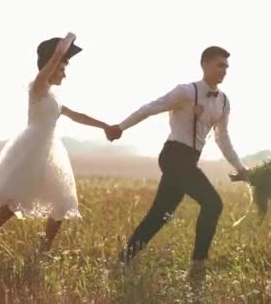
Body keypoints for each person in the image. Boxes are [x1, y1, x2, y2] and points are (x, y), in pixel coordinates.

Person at [0, 33, 111, 264]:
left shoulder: (53, 96)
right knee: (8, 209)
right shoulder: (39, 86)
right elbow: (54, 60)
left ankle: (42, 255)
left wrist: (105, 126)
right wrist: (68, 40)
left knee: (60, 206)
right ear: (51, 67)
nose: (65, 73)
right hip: (31, 153)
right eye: (62, 68)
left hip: (50, 155)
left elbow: (77, 116)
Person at [105, 45, 248, 282]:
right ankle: (197, 269)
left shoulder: (223, 101)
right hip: (174, 156)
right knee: (213, 203)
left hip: (190, 160)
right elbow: (151, 107)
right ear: (204, 64)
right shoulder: (186, 91)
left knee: (161, 214)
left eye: (227, 67)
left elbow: (223, 138)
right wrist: (120, 127)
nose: (224, 70)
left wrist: (240, 168)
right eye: (220, 65)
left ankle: (122, 262)